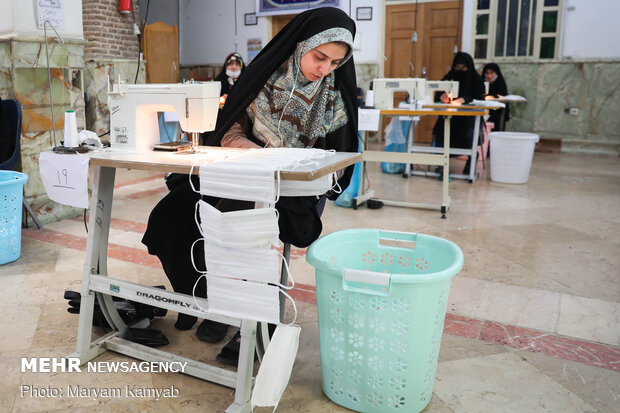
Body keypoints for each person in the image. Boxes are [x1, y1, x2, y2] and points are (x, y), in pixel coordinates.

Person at [142, 7, 358, 365]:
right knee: (173, 215)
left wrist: (291, 168)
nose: (324, 69)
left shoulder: (333, 100)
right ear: (302, 45)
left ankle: (253, 319)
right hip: (241, 174)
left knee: (245, 226)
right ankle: (200, 296)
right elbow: (230, 129)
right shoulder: (262, 79)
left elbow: (335, 162)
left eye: (335, 63)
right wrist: (252, 152)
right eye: (320, 57)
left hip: (293, 192)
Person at [431, 52, 485, 175]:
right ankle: (441, 162)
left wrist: (465, 99)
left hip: (469, 119)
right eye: (457, 68)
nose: (460, 71)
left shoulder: (476, 81)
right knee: (441, 131)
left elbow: (481, 99)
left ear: (469, 67)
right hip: (450, 118)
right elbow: (437, 94)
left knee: (470, 134)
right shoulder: (448, 77)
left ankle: (471, 160)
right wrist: (442, 97)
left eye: (463, 68)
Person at [483, 62, 510, 131]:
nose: (489, 76)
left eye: (492, 73)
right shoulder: (482, 83)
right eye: (487, 73)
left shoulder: (500, 84)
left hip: (498, 113)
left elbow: (503, 97)